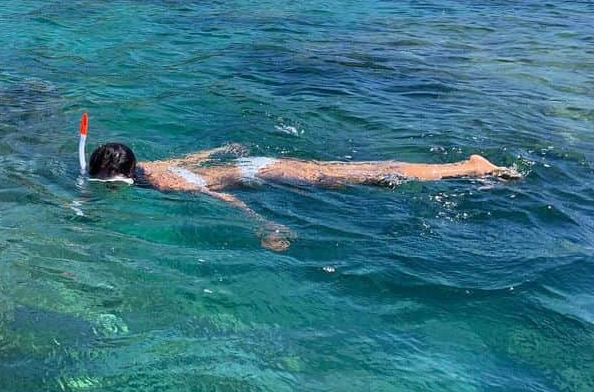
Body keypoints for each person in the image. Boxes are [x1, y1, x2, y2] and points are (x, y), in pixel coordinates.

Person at [87, 142, 519, 252]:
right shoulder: (148, 167)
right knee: (355, 174)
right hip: (255, 165)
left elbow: (223, 199)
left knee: (369, 175)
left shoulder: (164, 182)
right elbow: (191, 158)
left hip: (272, 174)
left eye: (107, 179)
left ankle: (471, 168)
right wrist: (221, 151)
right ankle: (467, 167)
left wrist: (265, 224)